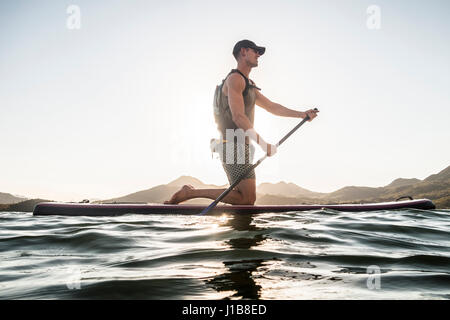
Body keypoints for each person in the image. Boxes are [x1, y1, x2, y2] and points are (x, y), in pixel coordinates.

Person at [164, 40, 318, 205]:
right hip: (231, 142)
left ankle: (192, 194)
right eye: (256, 51)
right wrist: (263, 143)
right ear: (243, 52)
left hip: (240, 144)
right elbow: (238, 117)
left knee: (246, 197)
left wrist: (302, 115)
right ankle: (189, 193)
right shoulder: (235, 79)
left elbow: (272, 107)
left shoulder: (249, 84)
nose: (259, 54)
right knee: (246, 198)